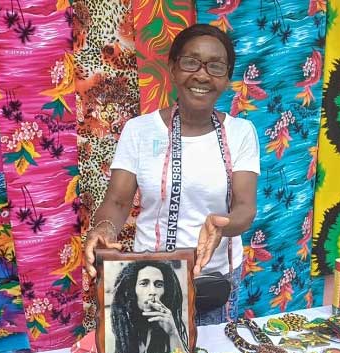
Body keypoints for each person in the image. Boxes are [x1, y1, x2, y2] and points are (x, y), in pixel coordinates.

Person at [85, 23, 260, 325]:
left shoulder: (241, 133)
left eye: (216, 67)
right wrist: (103, 229)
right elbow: (116, 202)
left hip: (212, 279)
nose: (202, 75)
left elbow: (245, 207)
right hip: (149, 277)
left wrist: (224, 226)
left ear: (227, 78)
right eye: (191, 62)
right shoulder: (140, 130)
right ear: (173, 68)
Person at [110, 260, 188, 353]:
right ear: (132, 289)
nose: (152, 291)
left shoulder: (169, 326)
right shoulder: (122, 327)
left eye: (159, 285)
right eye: (144, 283)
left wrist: (172, 333)